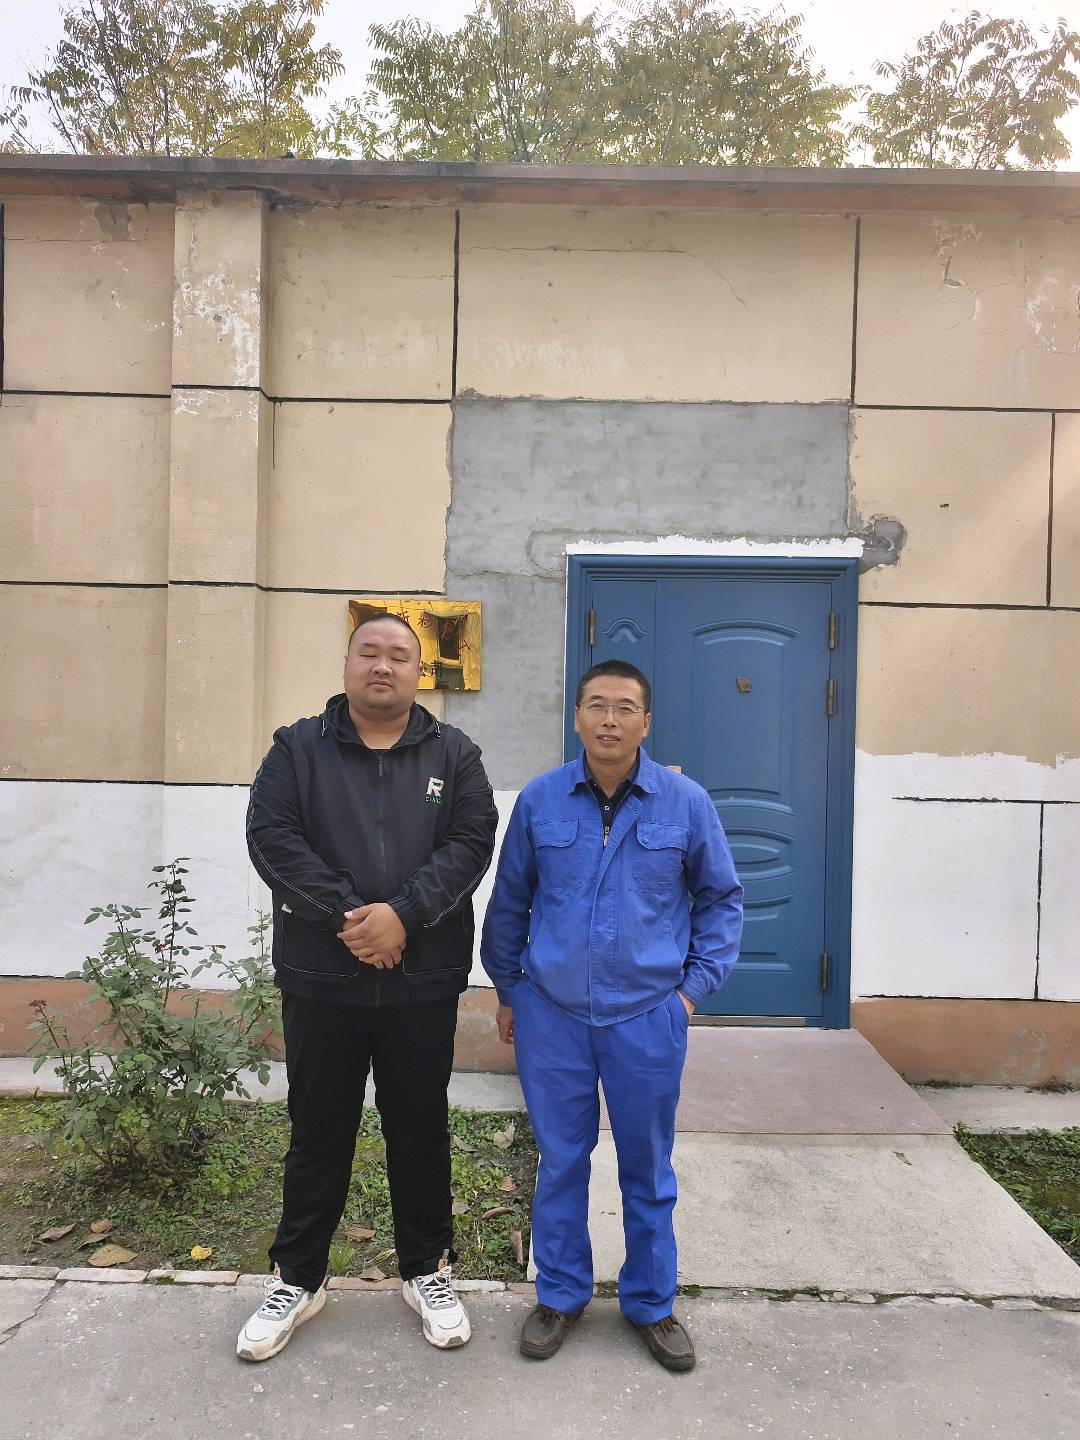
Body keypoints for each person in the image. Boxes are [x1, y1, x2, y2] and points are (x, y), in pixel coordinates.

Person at [237, 614, 498, 1362]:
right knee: (317, 1131)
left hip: (422, 981)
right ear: (348, 661)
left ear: (420, 671)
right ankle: (298, 1277)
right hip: (323, 978)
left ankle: (428, 1270)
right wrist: (352, 918)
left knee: (420, 1129)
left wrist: (403, 916)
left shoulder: (454, 753)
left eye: (399, 656)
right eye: (370, 652)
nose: (383, 666)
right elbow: (271, 838)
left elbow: (471, 842)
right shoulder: (297, 749)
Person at [481, 659, 743, 1372]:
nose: (609, 719)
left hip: (648, 1016)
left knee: (647, 1168)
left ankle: (651, 1303)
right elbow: (509, 902)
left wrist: (690, 992)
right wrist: (509, 989)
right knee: (561, 1161)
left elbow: (721, 899)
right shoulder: (540, 801)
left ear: (645, 722)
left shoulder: (685, 803)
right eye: (596, 705)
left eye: (624, 707)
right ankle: (559, 1295)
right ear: (576, 717)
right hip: (552, 1016)